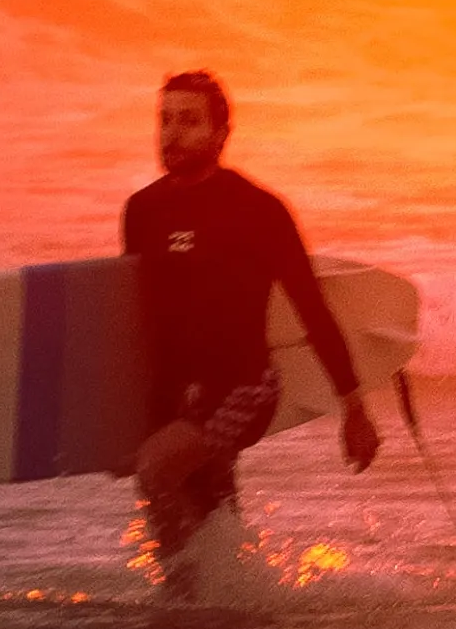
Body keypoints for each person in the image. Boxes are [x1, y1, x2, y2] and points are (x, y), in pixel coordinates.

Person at [123, 66, 382, 570]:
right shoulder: (142, 211)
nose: (172, 133)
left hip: (243, 387)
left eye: (189, 121)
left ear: (221, 134)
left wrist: (353, 409)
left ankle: (183, 601)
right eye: (165, 119)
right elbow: (143, 320)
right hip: (178, 392)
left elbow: (312, 309)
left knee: (155, 472)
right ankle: (239, 599)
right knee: (207, 495)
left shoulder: (257, 210)